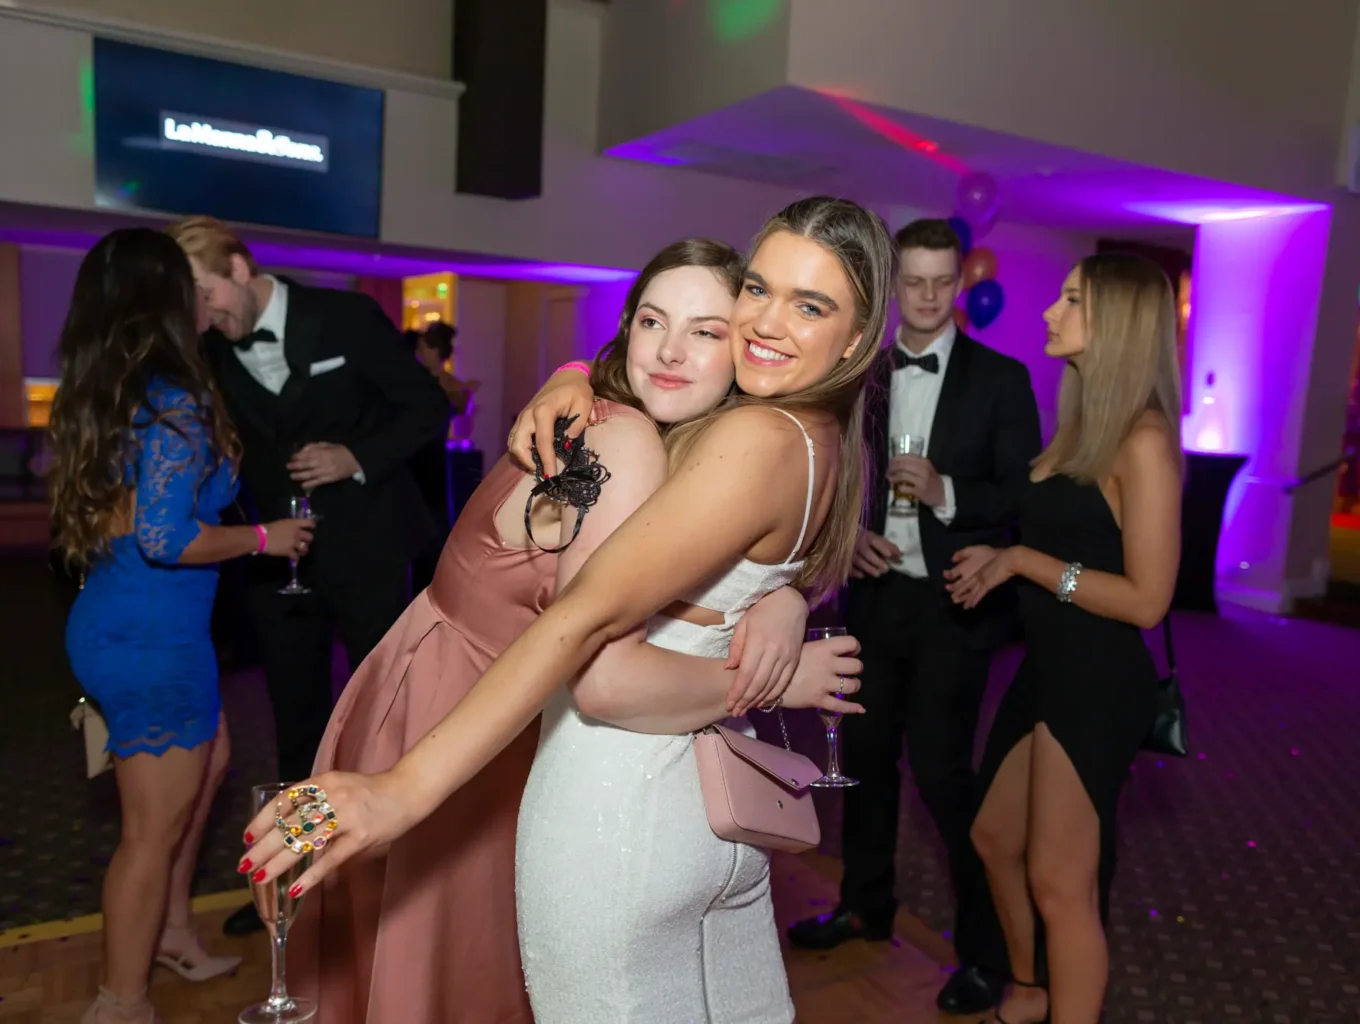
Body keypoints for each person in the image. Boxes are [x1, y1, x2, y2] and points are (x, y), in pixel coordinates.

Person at [242, 195, 895, 1022]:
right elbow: (745, 544)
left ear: (859, 333)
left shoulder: (747, 437)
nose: (763, 323)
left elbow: (587, 641)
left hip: (614, 811)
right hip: (702, 815)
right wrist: (784, 599)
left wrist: (400, 791)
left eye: (810, 305)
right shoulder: (812, 435)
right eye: (757, 292)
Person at [48, 228, 313, 1024]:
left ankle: (170, 934)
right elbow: (167, 539)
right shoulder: (173, 402)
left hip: (124, 623)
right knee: (150, 830)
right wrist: (267, 537)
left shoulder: (111, 389)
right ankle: (120, 1001)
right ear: (165, 301)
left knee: (209, 766)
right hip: (152, 637)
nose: (202, 299)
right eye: (186, 287)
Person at [161, 217, 452, 937]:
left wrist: (353, 456)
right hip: (278, 562)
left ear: (236, 264)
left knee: (386, 715)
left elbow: (427, 409)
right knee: (295, 727)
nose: (204, 316)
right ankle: (289, 885)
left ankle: (399, 887)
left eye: (204, 295)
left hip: (369, 548)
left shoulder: (345, 315)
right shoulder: (207, 350)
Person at [785, 217, 1042, 1013]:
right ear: (893, 288)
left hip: (952, 606)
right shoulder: (862, 375)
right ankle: (865, 904)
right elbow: (830, 478)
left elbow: (1025, 497)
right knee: (862, 761)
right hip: (875, 600)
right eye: (914, 282)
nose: (928, 297)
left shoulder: (1002, 379)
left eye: (942, 282)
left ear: (960, 284)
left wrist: (947, 494)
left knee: (943, 774)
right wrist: (848, 534)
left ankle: (984, 952)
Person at [947, 253, 1182, 1024]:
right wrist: (1005, 554)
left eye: (1071, 299)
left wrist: (1022, 560)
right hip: (1049, 666)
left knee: (1061, 883)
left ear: (1113, 323)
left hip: (1098, 677)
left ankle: (1057, 1002)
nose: (1050, 310)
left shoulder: (1142, 440)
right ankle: (1030, 984)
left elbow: (1148, 601)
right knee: (991, 835)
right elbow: (1065, 539)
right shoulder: (1085, 421)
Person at [402, 321, 475, 593]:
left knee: (432, 524)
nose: (419, 352)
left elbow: (464, 416)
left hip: (431, 462)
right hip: (412, 460)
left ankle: (430, 587)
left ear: (433, 351)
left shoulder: (450, 387)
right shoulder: (414, 379)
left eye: (423, 347)